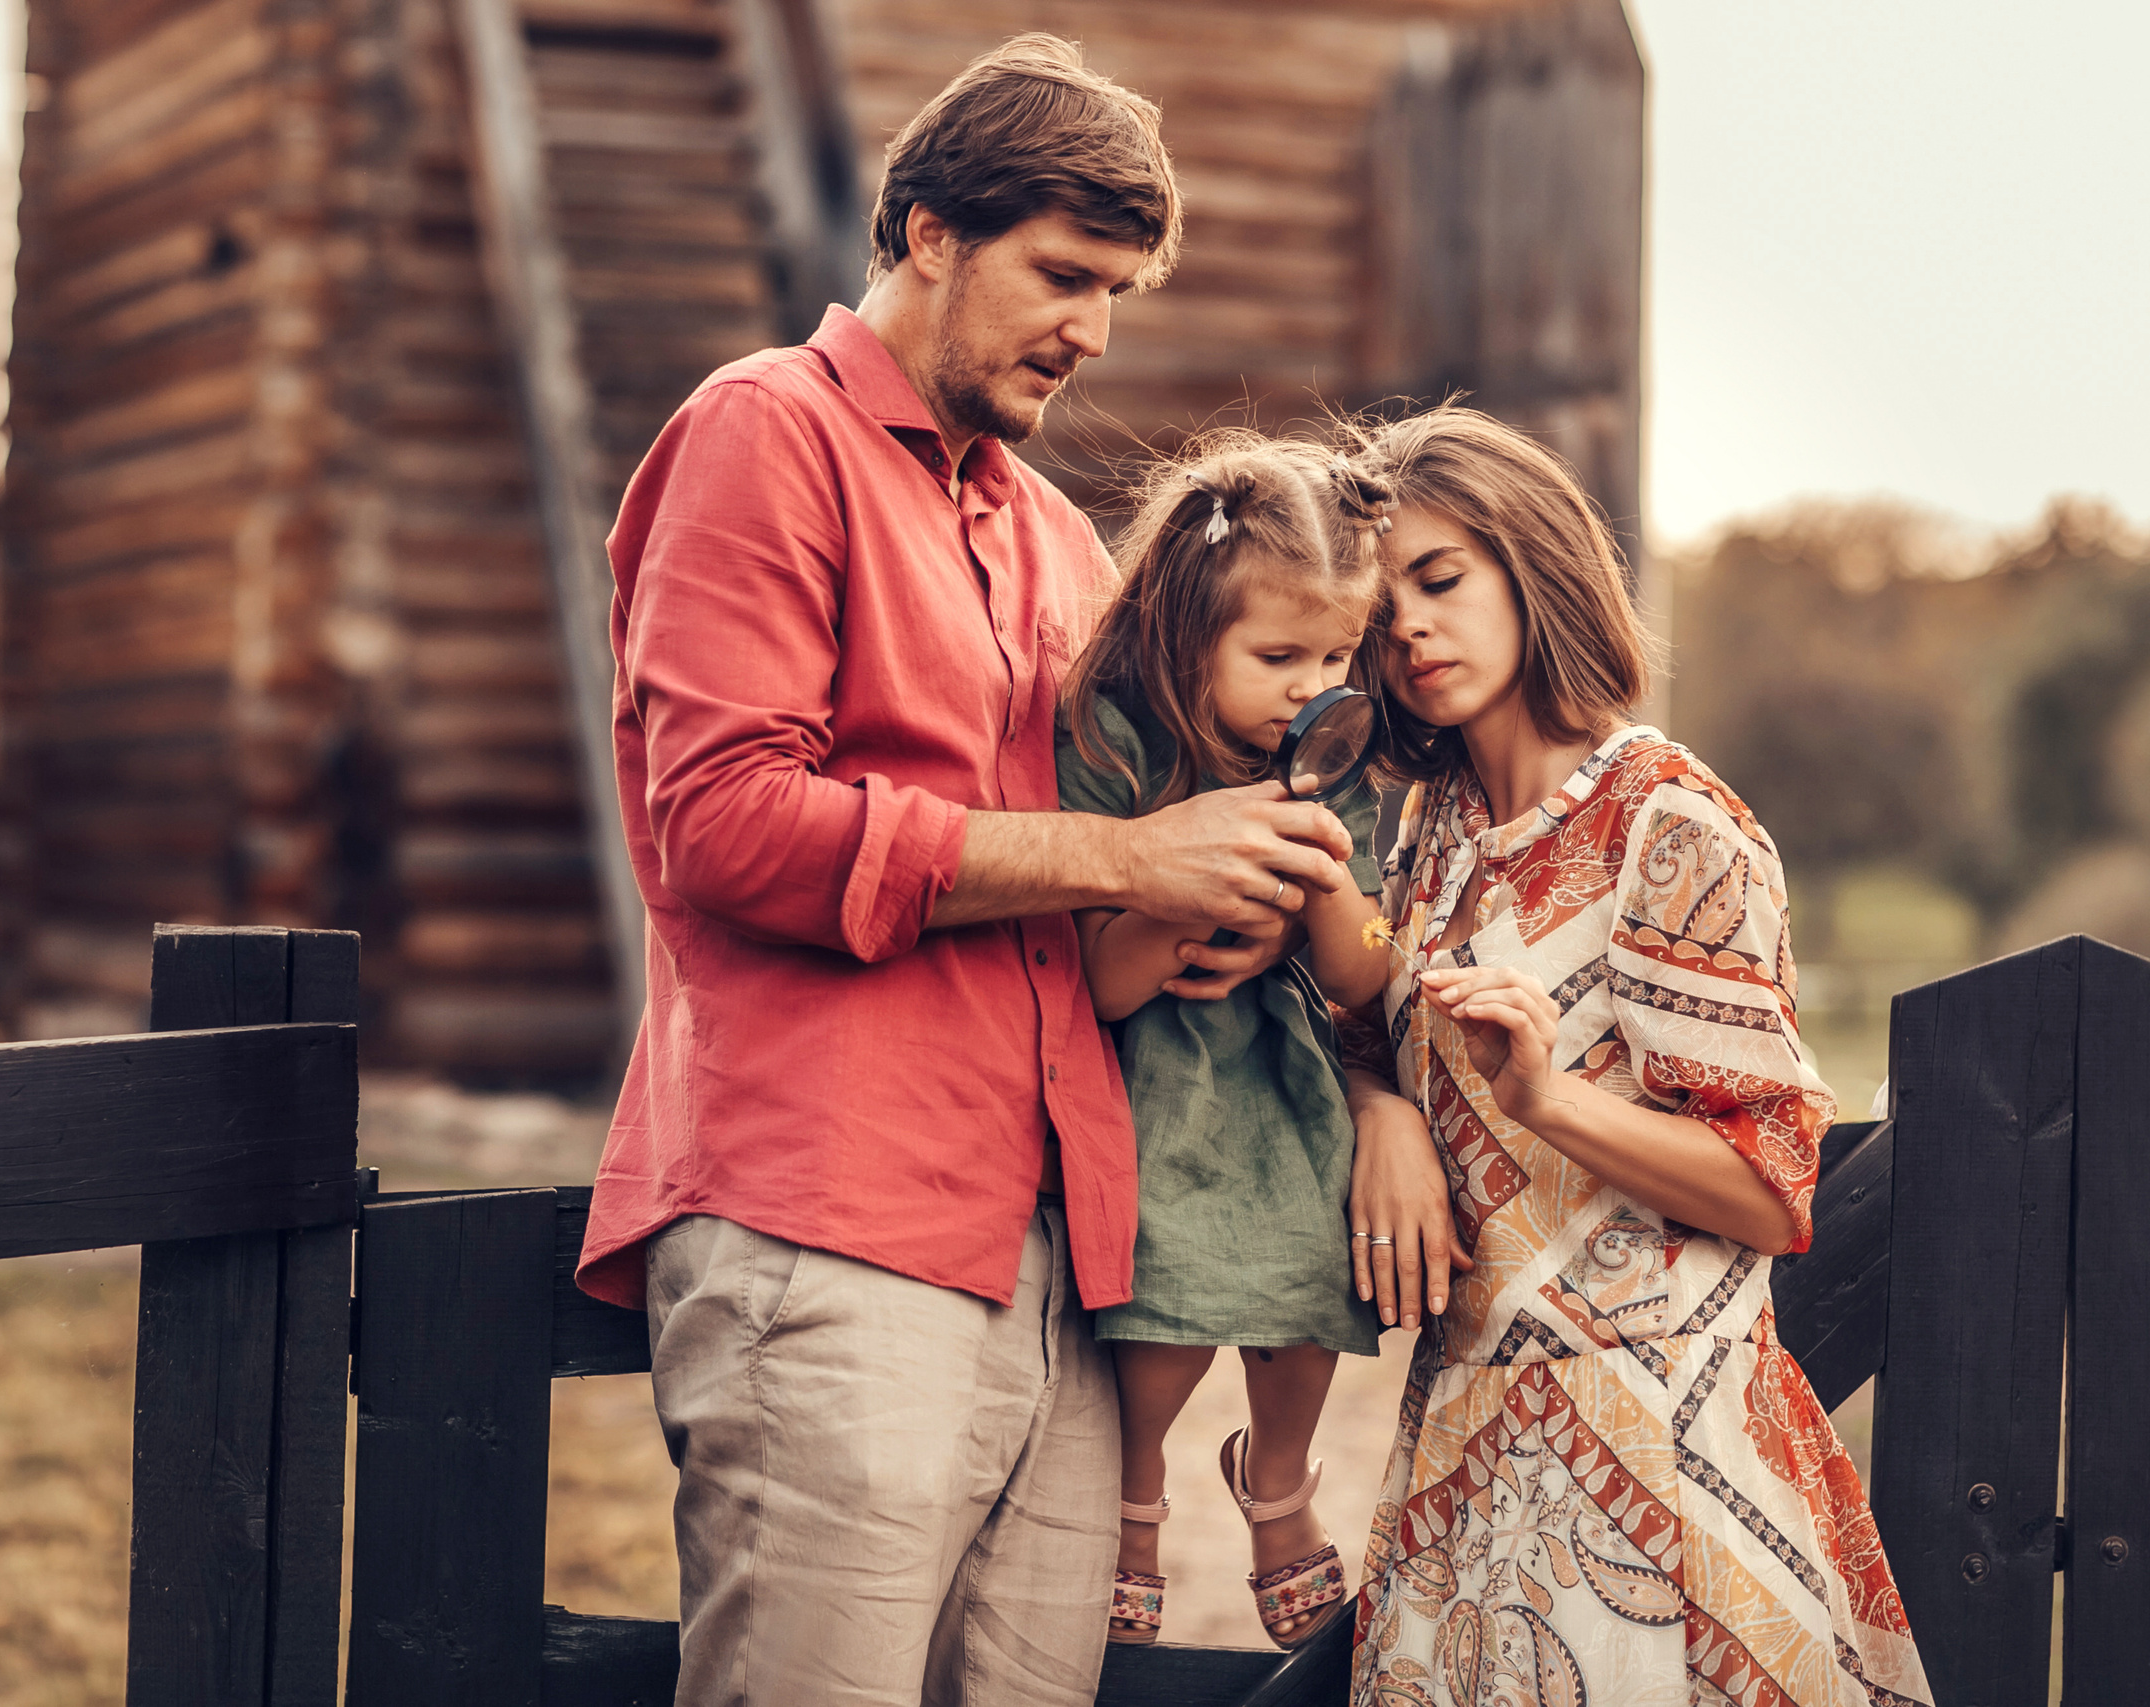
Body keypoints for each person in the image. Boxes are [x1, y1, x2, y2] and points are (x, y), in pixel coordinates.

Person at [574, 37, 1359, 1707]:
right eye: (1063, 275)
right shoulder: (759, 435)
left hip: (1066, 1257)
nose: (1090, 329)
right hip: (829, 1218)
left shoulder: (1056, 536)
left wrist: (1211, 915)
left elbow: (1138, 842)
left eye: (1118, 292)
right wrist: (1125, 857)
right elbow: (724, 824)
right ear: (926, 230)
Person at [1329, 407, 1935, 1705]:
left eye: (1441, 580)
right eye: (1382, 611)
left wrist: (1543, 1095)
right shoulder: (1428, 831)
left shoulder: (1662, 818)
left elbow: (1770, 1190)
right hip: (1467, 1442)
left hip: (1653, 1449)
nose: (1412, 630)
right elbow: (1366, 1020)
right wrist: (1380, 1100)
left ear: (1531, 561)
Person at [1052, 433, 1394, 1653]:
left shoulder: (1329, 764)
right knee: (1166, 1302)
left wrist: (1322, 890)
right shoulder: (1111, 742)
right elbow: (1099, 983)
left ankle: (1279, 1478)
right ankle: (1134, 1496)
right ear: (1185, 631)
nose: (1313, 684)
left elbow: (1361, 973)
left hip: (1278, 1069)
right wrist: (1178, 891)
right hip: (1157, 1076)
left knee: (1309, 1276)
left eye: (1337, 654)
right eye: (1277, 655)